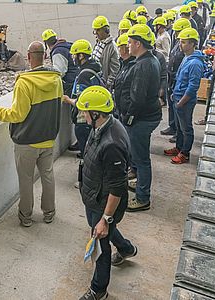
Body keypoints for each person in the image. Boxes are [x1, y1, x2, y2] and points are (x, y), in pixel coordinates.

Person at [0, 41, 63, 227]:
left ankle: (26, 217)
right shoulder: (56, 79)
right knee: (48, 176)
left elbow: (17, 114)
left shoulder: (24, 83)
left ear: (28, 56)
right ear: (45, 56)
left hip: (27, 142)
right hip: (48, 139)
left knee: (25, 181)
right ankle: (49, 213)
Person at [77, 86, 137, 300]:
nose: (82, 116)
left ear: (95, 114)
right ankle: (126, 249)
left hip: (104, 203)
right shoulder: (104, 126)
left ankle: (98, 288)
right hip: (94, 197)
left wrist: (105, 218)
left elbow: (118, 187)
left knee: (100, 243)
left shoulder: (111, 144)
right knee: (103, 231)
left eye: (85, 112)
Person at [124, 24, 162, 212]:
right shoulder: (151, 59)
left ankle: (142, 197)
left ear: (138, 43)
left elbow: (137, 98)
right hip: (150, 115)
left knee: (141, 159)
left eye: (130, 42)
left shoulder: (143, 65)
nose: (128, 45)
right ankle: (140, 185)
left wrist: (129, 118)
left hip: (143, 118)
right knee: (140, 156)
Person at [164, 28, 204, 164]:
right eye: (180, 42)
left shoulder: (195, 63)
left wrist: (181, 101)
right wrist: (175, 93)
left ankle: (185, 153)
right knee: (180, 128)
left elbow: (193, 87)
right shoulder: (186, 58)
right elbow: (180, 79)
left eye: (184, 42)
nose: (180, 45)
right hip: (178, 98)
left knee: (186, 128)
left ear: (193, 43)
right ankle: (179, 148)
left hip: (185, 101)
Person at [63, 39, 104, 159]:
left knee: (87, 153)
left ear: (81, 55)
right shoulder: (95, 68)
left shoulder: (84, 75)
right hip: (95, 115)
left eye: (74, 55)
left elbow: (82, 101)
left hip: (84, 119)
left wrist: (68, 99)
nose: (72, 58)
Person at [162, 18, 192, 138]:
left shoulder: (188, 51)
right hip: (171, 79)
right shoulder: (178, 43)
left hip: (178, 81)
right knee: (171, 105)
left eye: (178, 31)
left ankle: (178, 134)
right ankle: (172, 126)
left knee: (179, 109)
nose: (176, 34)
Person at [42, 29, 78, 96]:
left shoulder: (58, 52)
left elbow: (59, 72)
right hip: (76, 79)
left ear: (45, 43)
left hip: (71, 84)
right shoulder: (66, 45)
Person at [91, 16, 120, 90]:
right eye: (95, 30)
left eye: (98, 30)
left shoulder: (112, 47)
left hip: (104, 86)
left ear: (106, 30)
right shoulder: (98, 43)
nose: (95, 33)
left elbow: (115, 69)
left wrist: (107, 84)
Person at [113, 33, 136, 120]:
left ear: (124, 48)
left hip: (127, 111)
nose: (118, 50)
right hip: (120, 110)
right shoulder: (123, 64)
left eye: (119, 47)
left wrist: (129, 113)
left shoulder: (133, 65)